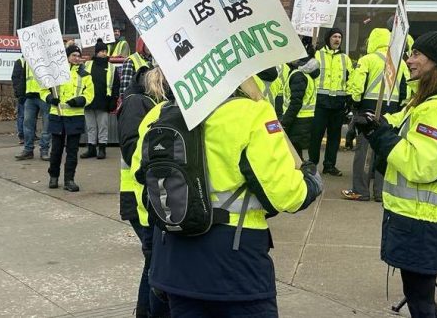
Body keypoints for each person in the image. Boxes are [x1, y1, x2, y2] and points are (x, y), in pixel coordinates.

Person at [130, 85, 323, 317]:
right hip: (235, 262)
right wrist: (311, 181)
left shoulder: (157, 114)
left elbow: (143, 188)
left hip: (173, 258)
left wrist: (152, 249)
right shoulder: (252, 113)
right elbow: (285, 195)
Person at [354, 31, 437, 318]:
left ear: (436, 62)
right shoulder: (428, 100)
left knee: (420, 301)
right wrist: (378, 122)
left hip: (423, 221)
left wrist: (379, 136)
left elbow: (421, 165)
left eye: (416, 54)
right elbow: (405, 120)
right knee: (421, 298)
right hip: (421, 219)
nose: (409, 60)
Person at [117, 65, 169, 318]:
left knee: (155, 263)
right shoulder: (137, 103)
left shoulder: (148, 102)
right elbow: (131, 148)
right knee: (153, 264)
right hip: (138, 196)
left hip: (153, 196)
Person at [343, 28, 408, 202]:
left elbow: (357, 86)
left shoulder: (367, 59)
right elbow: (405, 89)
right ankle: (380, 192)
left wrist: (355, 104)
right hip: (392, 110)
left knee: (364, 151)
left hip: (368, 109)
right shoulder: (399, 63)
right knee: (384, 150)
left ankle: (360, 190)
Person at [41, 44, 94, 192]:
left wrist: (80, 100)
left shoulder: (85, 74)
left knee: (72, 151)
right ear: (67, 57)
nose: (77, 58)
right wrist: (50, 98)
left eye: (78, 55)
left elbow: (90, 94)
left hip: (75, 117)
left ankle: (69, 180)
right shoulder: (55, 72)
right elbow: (44, 89)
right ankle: (53, 177)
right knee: (56, 150)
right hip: (57, 115)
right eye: (73, 55)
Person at [309, 28, 353, 176]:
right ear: (328, 38)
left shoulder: (345, 58)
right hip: (320, 101)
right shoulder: (317, 55)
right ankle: (312, 164)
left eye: (340, 37)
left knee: (334, 137)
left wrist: (349, 99)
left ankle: (329, 165)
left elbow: (350, 79)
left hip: (338, 103)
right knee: (316, 135)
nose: (337, 39)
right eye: (334, 36)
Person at [81, 39, 118, 160]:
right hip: (88, 100)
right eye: (102, 51)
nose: (104, 53)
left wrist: (113, 100)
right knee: (91, 126)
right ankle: (91, 148)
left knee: (103, 126)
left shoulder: (111, 67)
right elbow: (80, 81)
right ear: (96, 52)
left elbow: (116, 85)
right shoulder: (87, 65)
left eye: (105, 51)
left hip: (103, 101)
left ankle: (102, 148)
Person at [281, 57, 318, 160]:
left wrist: (285, 122)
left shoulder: (298, 75)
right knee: (297, 154)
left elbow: (296, 103)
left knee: (294, 157)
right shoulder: (307, 74)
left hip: (296, 120)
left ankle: (304, 175)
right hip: (305, 119)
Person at [15, 54, 51, 161]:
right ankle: (28, 150)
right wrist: (21, 94)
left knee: (46, 126)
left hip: (44, 96)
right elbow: (24, 77)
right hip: (30, 96)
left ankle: (44, 150)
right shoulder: (28, 60)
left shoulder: (48, 58)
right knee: (28, 125)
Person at [11, 55, 26, 145]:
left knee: (29, 117)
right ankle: (22, 136)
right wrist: (18, 91)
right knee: (22, 115)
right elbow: (15, 78)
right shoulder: (20, 61)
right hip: (23, 93)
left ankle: (29, 135)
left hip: (31, 93)